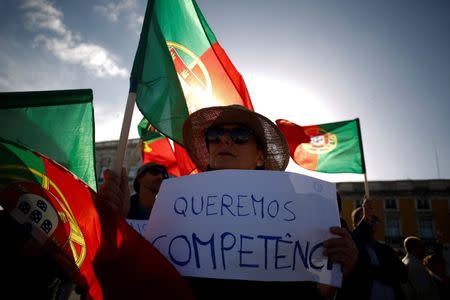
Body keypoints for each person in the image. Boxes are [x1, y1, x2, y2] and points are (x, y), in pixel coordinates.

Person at [102, 105, 358, 299]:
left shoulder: (298, 211)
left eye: (240, 134)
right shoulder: (175, 206)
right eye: (215, 134)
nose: (224, 140)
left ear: (260, 157)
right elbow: (143, 283)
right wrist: (116, 227)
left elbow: (310, 293)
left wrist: (336, 276)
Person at [344, 198, 408, 300]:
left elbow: (403, 274)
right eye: (367, 218)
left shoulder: (386, 249)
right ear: (356, 224)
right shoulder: (352, 245)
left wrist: (375, 271)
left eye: (374, 220)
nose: (372, 223)